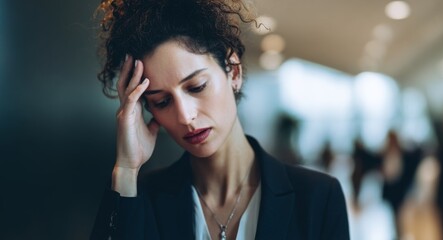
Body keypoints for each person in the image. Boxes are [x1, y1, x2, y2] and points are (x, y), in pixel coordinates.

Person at [89, 0, 350, 239]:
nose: (185, 116)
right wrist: (125, 168)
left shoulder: (317, 198)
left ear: (233, 72)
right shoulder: (141, 198)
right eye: (162, 102)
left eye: (197, 86)